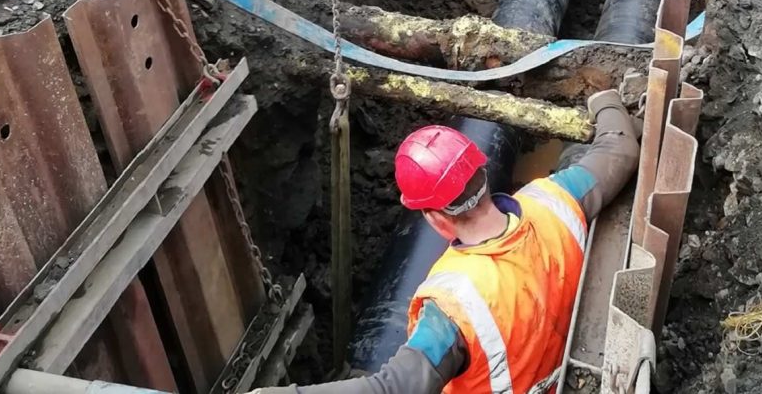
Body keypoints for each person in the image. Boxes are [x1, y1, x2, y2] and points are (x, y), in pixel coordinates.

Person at [248, 89, 640, 394]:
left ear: (433, 217)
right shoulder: (554, 199)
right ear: (483, 172)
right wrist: (605, 101)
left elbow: (394, 388)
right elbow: (619, 149)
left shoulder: (455, 304)